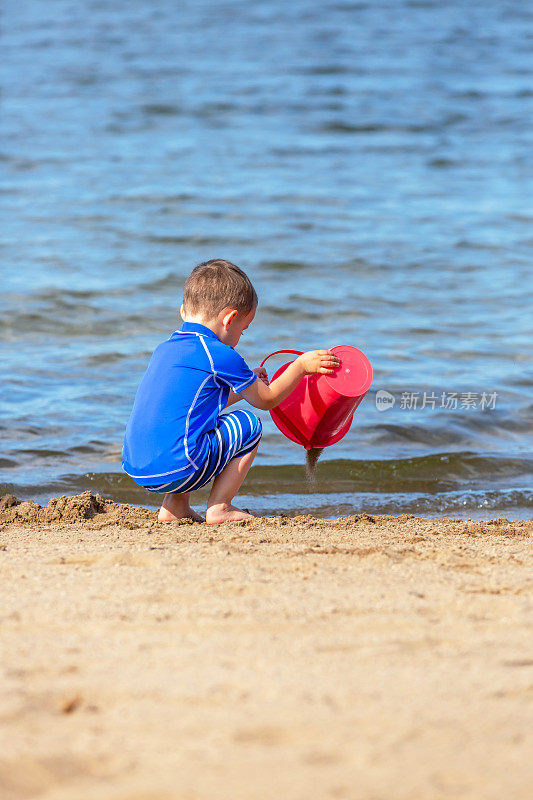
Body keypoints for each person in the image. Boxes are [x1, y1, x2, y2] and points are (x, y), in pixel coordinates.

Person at [121, 259, 339, 524]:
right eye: (243, 331)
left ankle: (174, 507)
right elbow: (266, 399)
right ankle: (220, 507)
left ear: (184, 310)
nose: (240, 337)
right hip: (180, 467)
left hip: (138, 467)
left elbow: (197, 407)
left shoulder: (166, 348)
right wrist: (300, 367)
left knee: (192, 427)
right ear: (230, 318)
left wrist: (247, 382)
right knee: (248, 424)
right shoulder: (220, 353)